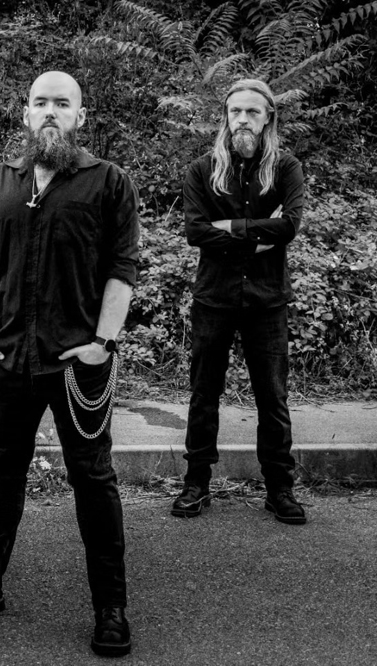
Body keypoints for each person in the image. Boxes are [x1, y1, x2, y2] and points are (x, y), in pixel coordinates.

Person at [0, 71, 139, 659]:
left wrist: (103, 343)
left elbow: (122, 268)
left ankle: (111, 607)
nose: (49, 111)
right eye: (40, 102)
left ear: (80, 116)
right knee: (2, 473)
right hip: (8, 358)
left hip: (78, 364)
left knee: (94, 480)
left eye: (61, 103)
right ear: (25, 114)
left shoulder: (108, 182)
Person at [173, 79, 305, 524]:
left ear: (268, 118)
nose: (243, 120)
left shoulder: (286, 168)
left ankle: (280, 490)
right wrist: (259, 232)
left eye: (252, 112)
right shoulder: (201, 170)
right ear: (226, 117)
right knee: (203, 395)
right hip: (214, 299)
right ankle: (196, 484)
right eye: (235, 112)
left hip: (267, 302)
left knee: (273, 398)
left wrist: (228, 228)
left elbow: (289, 227)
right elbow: (196, 232)